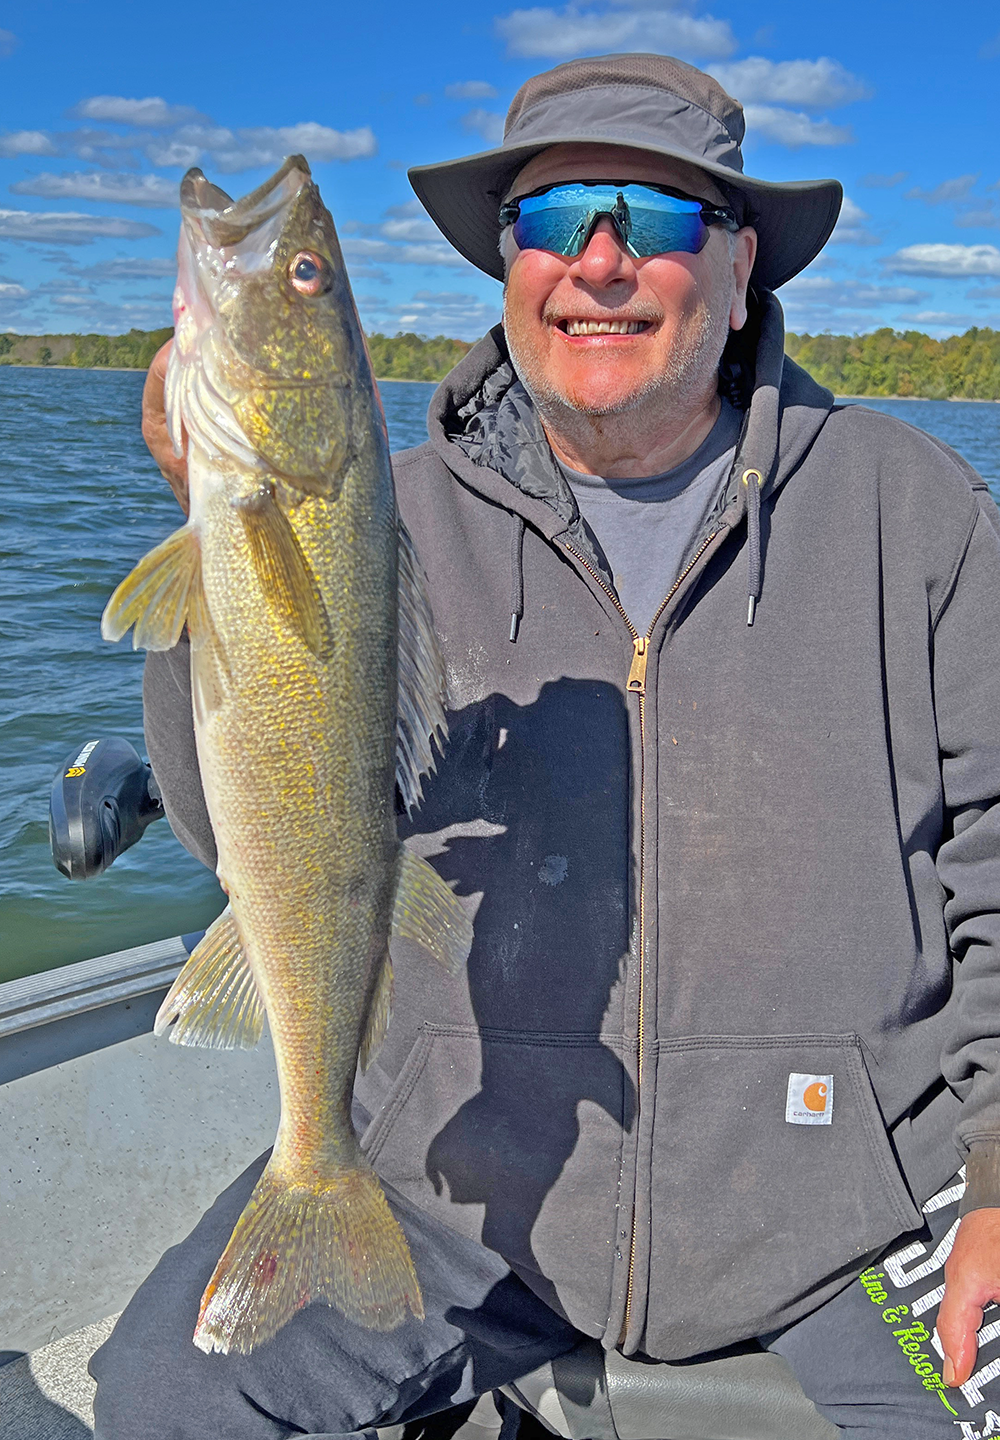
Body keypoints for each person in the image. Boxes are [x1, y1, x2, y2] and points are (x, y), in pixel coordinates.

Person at [91, 52, 1000, 1440]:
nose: (599, 261)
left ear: (746, 265)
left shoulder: (916, 514)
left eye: (660, 218)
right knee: (164, 1395)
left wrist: (995, 1171)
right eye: (555, 215)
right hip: (457, 1187)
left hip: (846, 1206)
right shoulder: (379, 517)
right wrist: (203, 534)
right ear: (504, 265)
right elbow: (252, 836)